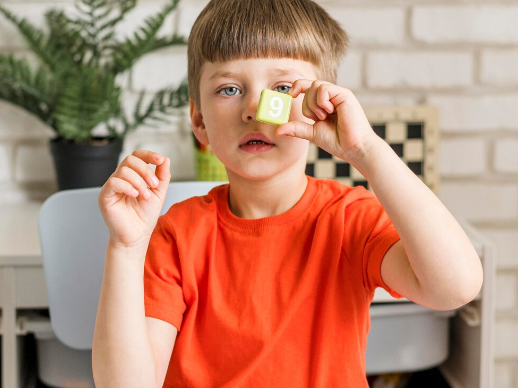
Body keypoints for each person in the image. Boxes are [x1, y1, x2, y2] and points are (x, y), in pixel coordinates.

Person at [92, 0, 484, 387]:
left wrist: (365, 150)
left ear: (322, 107)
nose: (255, 110)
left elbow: (455, 287)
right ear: (199, 122)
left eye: (281, 88)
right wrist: (125, 248)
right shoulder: (176, 234)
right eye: (229, 89)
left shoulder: (350, 219)